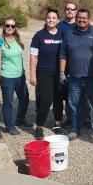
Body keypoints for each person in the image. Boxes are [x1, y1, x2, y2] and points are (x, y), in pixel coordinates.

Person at [58, 9, 93, 141]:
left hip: (92, 78)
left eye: (84, 18)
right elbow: (63, 55)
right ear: (76, 18)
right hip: (74, 78)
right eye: (79, 17)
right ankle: (75, 129)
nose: (81, 20)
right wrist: (62, 73)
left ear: (89, 19)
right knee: (74, 105)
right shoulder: (69, 34)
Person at [57, 1, 93, 130]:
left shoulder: (80, 25)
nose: (70, 11)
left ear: (76, 11)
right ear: (64, 11)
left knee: (85, 96)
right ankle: (72, 119)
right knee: (70, 97)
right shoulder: (60, 26)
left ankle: (87, 119)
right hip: (67, 66)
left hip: (83, 68)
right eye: (67, 9)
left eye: (72, 9)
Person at [0, 18, 30, 135]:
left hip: (20, 76)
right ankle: (9, 126)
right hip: (7, 77)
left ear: (15, 27)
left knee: (25, 98)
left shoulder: (17, 39)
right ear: (3, 26)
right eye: (8, 25)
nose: (10, 28)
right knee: (8, 102)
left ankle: (20, 120)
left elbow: (20, 56)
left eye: (12, 26)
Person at [29, 9, 63, 139]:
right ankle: (39, 126)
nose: (51, 20)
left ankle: (57, 123)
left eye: (54, 18)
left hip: (59, 73)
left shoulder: (62, 35)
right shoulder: (39, 35)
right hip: (44, 73)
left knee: (58, 99)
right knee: (45, 100)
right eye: (49, 17)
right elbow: (33, 57)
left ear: (58, 20)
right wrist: (32, 75)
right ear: (45, 19)